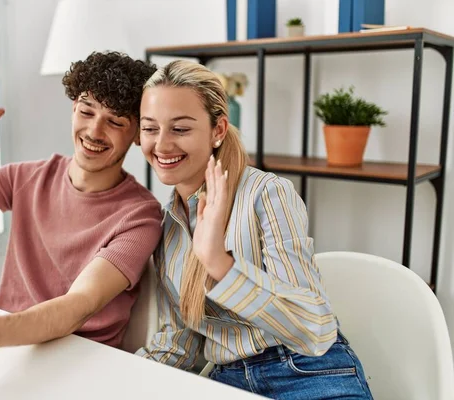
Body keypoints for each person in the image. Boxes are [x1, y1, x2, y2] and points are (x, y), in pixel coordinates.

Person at [136, 60, 373, 399]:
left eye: (181, 129)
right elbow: (180, 346)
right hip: (226, 381)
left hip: (305, 370)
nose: (161, 145)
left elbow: (313, 328)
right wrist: (119, 378)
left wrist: (220, 263)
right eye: (150, 128)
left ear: (218, 130)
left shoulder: (267, 194)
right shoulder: (167, 230)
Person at [0, 52, 162, 357]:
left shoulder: (140, 216)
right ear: (73, 109)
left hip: (83, 359)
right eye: (86, 112)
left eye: (115, 121)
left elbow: (78, 306)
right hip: (11, 347)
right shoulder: (28, 178)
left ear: (137, 135)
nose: (93, 131)